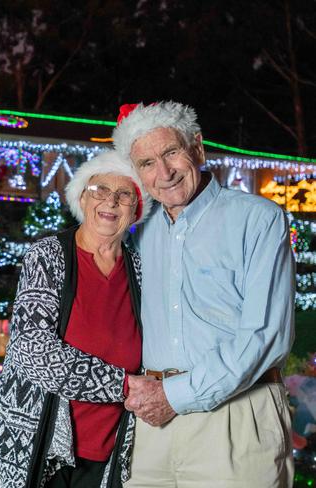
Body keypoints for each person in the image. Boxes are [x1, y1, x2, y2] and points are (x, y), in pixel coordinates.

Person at [112, 101, 295, 487]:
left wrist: (174, 397)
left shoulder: (258, 219)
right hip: (152, 427)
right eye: (146, 164)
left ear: (196, 147)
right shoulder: (137, 233)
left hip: (237, 417)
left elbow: (265, 337)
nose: (164, 173)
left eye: (171, 152)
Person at [0, 150, 152, 488]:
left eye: (124, 195)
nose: (111, 202)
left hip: (112, 443)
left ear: (135, 210)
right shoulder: (48, 255)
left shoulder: (139, 268)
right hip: (40, 440)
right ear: (81, 198)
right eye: (99, 190)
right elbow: (33, 351)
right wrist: (123, 385)